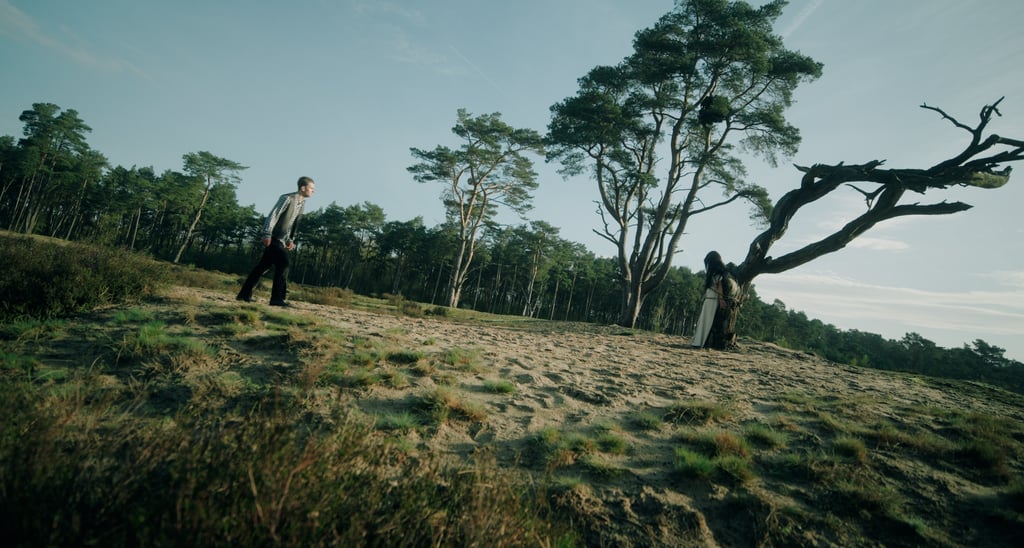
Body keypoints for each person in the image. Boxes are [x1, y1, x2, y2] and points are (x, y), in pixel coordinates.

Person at [236, 176, 315, 306]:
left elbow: (292, 223)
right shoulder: (287, 198)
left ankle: (244, 295)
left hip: (282, 240)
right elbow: (274, 215)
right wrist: (267, 234)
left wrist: (290, 239)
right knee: (284, 264)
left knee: (262, 267)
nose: (313, 191)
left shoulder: (302, 203)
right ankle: (277, 299)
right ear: (302, 188)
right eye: (311, 188)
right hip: (274, 237)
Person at [691, 250, 737, 349]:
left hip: (710, 300)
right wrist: (721, 299)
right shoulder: (718, 274)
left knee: (705, 320)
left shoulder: (714, 274)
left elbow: (718, 287)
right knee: (707, 321)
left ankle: (699, 341)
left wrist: (721, 299)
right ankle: (701, 342)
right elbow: (719, 287)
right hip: (711, 300)